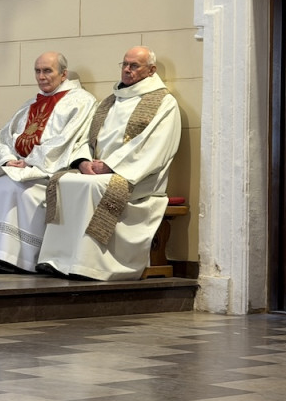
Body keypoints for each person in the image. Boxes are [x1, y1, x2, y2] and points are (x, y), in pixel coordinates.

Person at [37, 46, 181, 281]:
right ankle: (58, 259)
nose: (127, 70)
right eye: (124, 64)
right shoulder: (109, 102)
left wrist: (110, 166)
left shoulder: (164, 103)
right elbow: (86, 137)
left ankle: (90, 264)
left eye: (134, 66)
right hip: (99, 170)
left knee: (94, 187)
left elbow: (154, 147)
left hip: (137, 177)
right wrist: (83, 162)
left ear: (151, 70)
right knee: (62, 181)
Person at [0, 52, 97, 273]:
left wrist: (31, 162)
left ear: (63, 74)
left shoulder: (81, 101)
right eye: (38, 71)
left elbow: (67, 140)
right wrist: (8, 160)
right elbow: (5, 136)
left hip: (50, 170)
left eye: (47, 71)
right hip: (22, 166)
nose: (41, 77)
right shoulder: (31, 103)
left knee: (17, 188)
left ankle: (16, 258)